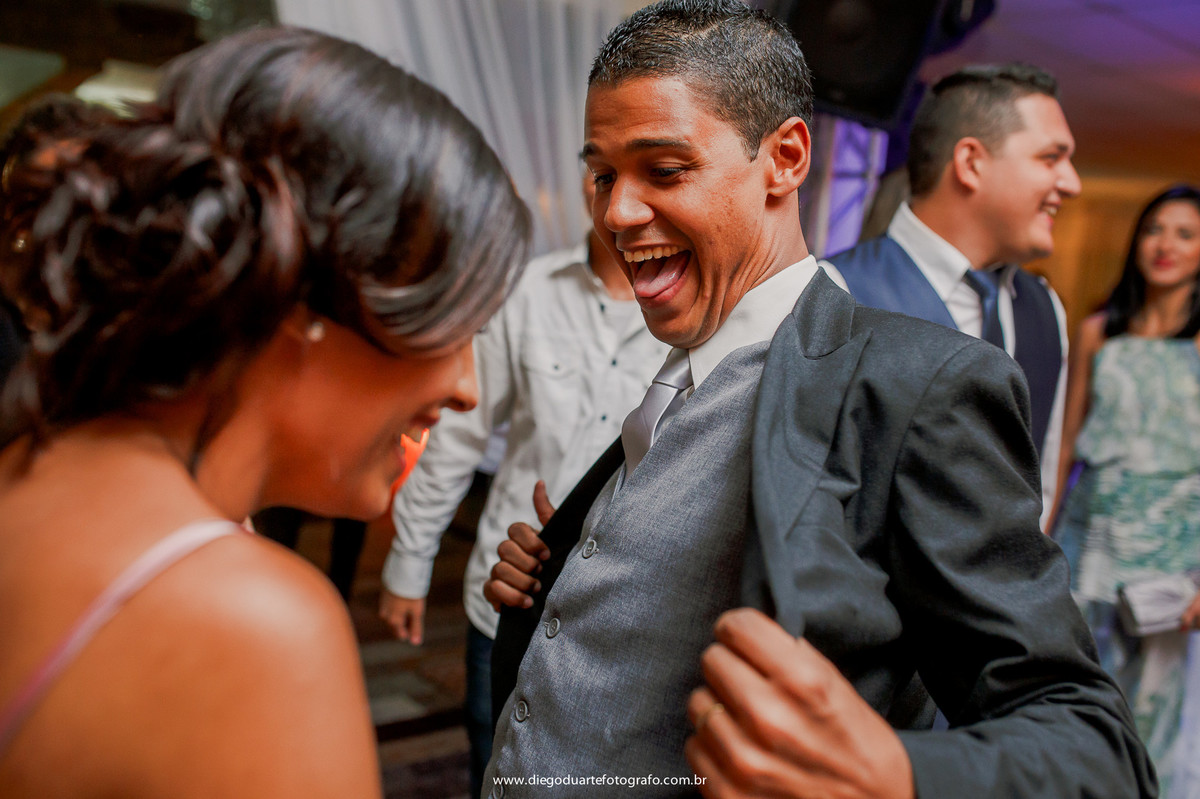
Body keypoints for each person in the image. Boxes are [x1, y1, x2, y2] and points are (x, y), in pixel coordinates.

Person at [482, 2, 1155, 798]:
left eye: (663, 171)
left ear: (787, 157)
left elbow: (1094, 742)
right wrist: (574, 568)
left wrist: (897, 773)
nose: (616, 213)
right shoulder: (687, 356)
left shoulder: (918, 387)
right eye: (601, 175)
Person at [0, 26, 529, 798]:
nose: (466, 388)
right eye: (453, 327)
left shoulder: (33, 459)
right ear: (296, 298)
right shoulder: (253, 625)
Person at [377, 175, 668, 797]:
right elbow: (459, 435)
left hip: (620, 612)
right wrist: (409, 564)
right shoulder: (529, 292)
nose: (622, 204)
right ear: (586, 185)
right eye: (603, 176)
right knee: (492, 754)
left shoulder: (690, 308)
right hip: (507, 588)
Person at [823, 63, 1079, 532]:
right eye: (1051, 158)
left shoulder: (1044, 309)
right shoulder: (834, 289)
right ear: (971, 163)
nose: (1072, 183)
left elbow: (1036, 484)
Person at [1053, 184, 1200, 797]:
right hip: (1088, 537)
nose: (1165, 246)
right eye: (1154, 229)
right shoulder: (1096, 332)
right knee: (1075, 693)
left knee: (1151, 710)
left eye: (1185, 234)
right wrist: (1038, 533)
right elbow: (1063, 443)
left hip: (1171, 549)